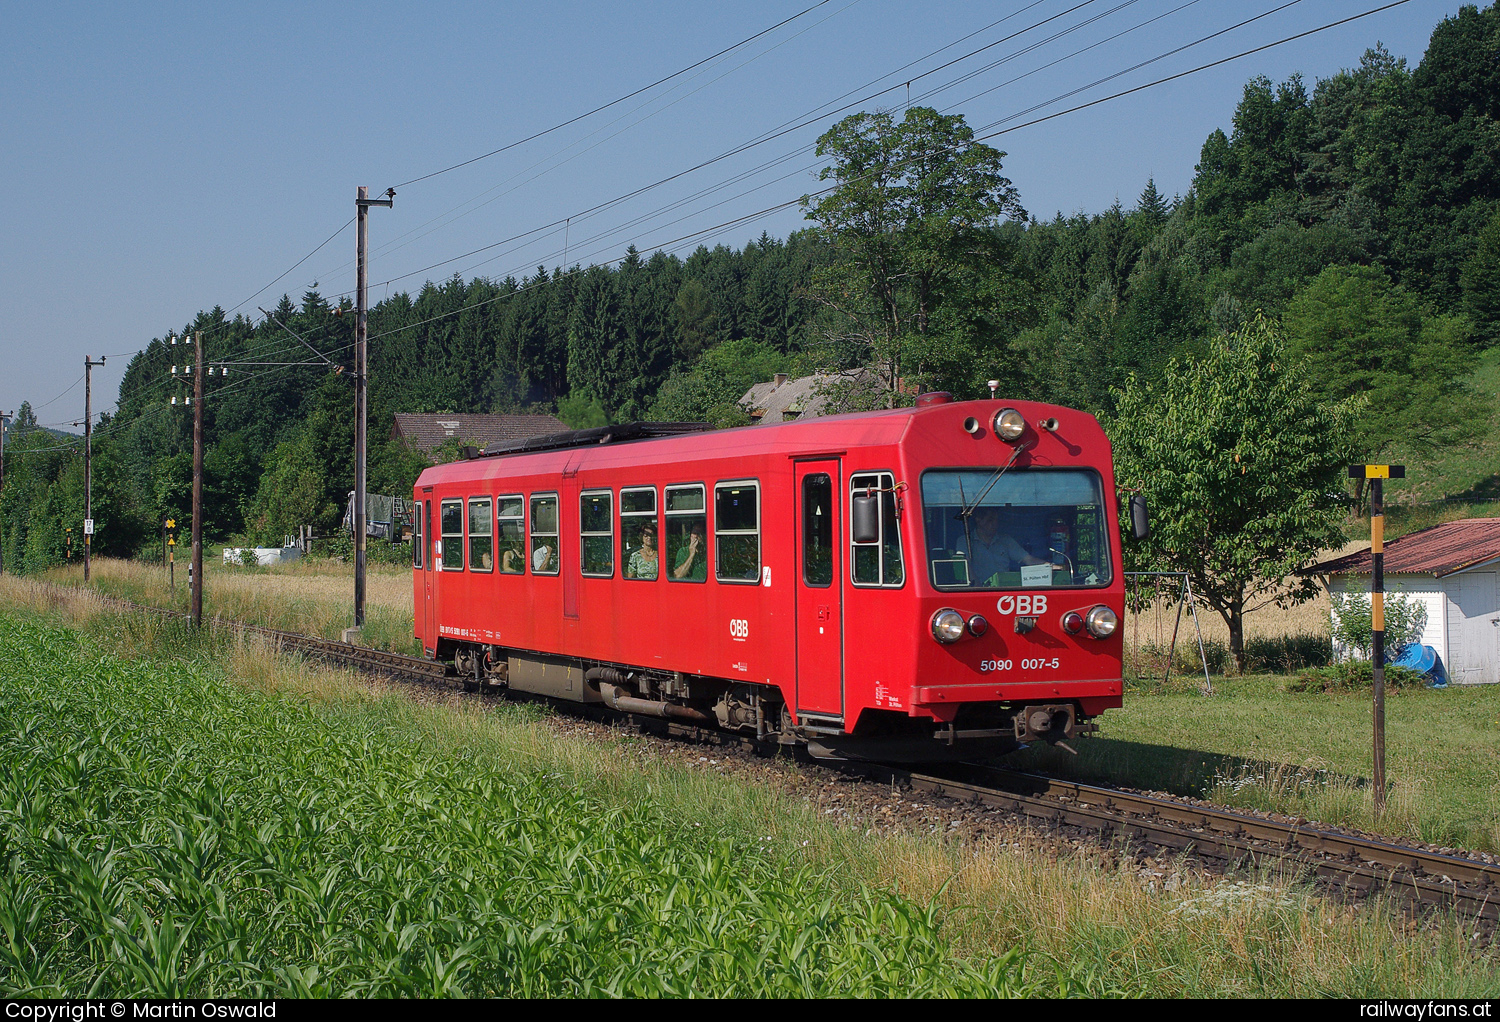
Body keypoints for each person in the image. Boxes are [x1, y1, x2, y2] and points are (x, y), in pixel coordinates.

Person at [962, 506, 1046, 585]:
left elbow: (1028, 559)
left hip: (1004, 590)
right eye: (990, 520)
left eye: (996, 520)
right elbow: (965, 566)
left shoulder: (1005, 540)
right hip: (977, 592)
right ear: (978, 520)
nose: (994, 524)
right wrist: (977, 588)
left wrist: (1050, 566)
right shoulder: (965, 541)